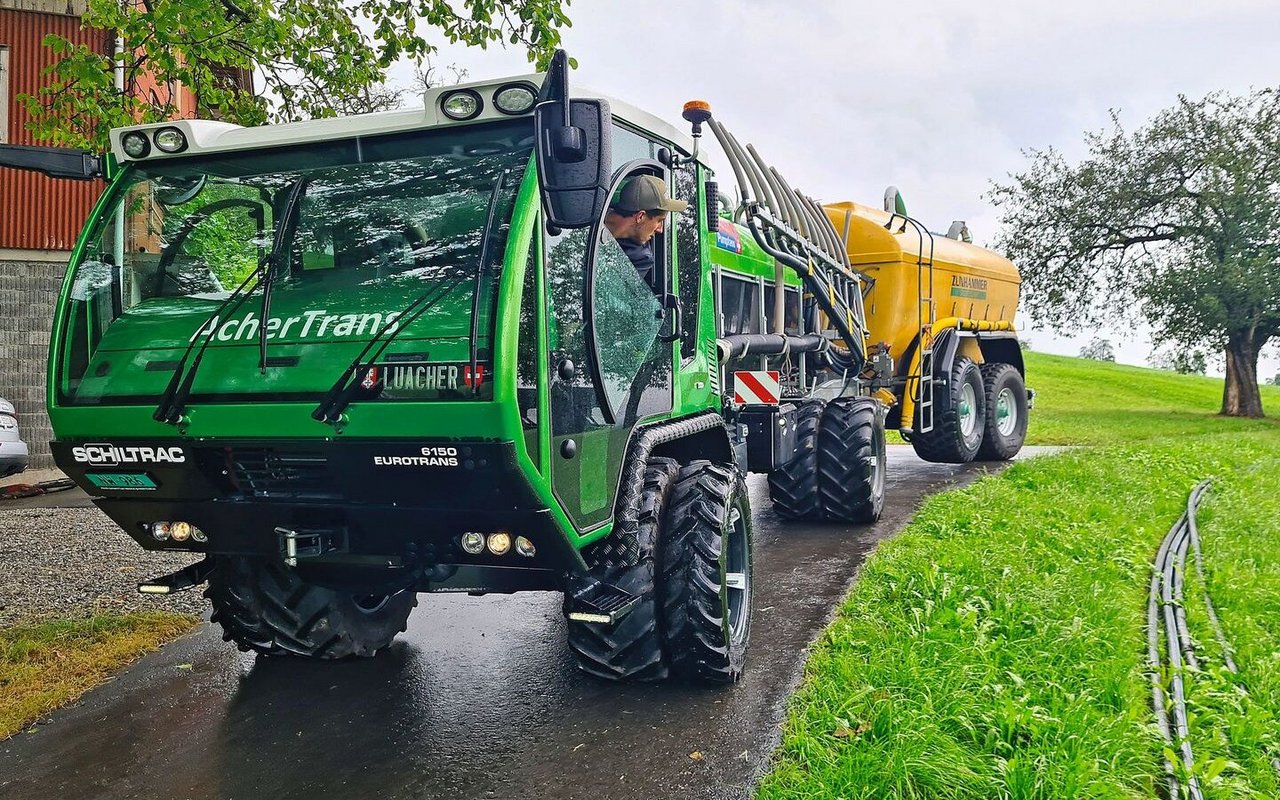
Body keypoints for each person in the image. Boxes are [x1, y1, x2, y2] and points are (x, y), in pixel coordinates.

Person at [602, 175, 688, 287]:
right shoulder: (588, 214)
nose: (660, 230)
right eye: (659, 221)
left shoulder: (641, 258)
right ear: (640, 216)